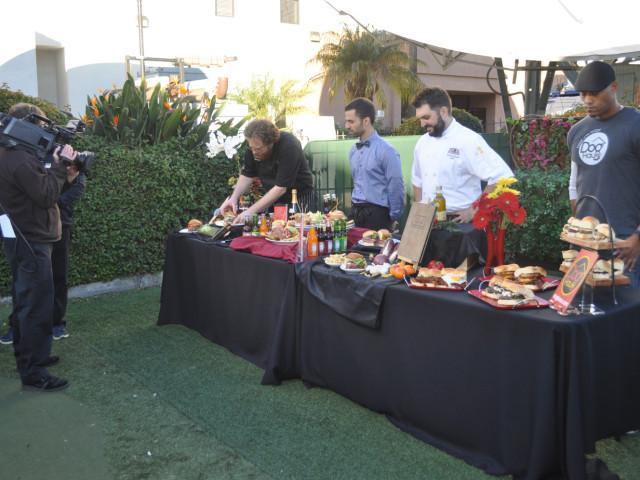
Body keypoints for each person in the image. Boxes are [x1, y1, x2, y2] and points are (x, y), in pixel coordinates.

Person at [0, 102, 75, 391]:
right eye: (40, 126)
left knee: (28, 302)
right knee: (35, 306)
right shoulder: (18, 158)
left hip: (24, 238)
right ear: (24, 126)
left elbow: (45, 193)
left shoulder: (13, 154)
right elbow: (45, 196)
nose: (44, 133)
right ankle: (33, 372)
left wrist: (63, 177)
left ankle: (33, 358)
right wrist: (58, 168)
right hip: (31, 240)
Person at [567, 61, 640, 287]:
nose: (588, 100)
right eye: (583, 94)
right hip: (585, 246)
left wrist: (637, 238)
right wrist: (579, 230)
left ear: (614, 88)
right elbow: (574, 182)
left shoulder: (635, 124)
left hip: (626, 247)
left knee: (627, 319)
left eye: (595, 94)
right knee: (584, 316)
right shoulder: (577, 131)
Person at [410, 87, 513, 223]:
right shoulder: (422, 143)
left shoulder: (468, 140)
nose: (422, 123)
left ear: (444, 112)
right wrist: (420, 215)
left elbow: (501, 176)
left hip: (460, 225)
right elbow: (417, 181)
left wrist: (474, 210)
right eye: (420, 119)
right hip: (429, 224)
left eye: (426, 117)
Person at [217, 119, 314, 220]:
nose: (254, 152)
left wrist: (250, 212)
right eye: (251, 148)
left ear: (271, 143)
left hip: (299, 197)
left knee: (298, 230)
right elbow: (247, 174)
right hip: (274, 197)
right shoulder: (253, 146)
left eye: (258, 148)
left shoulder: (289, 146)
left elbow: (281, 188)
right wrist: (233, 198)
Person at [344, 98, 405, 230]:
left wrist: (393, 217)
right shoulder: (353, 151)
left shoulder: (387, 151)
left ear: (366, 121)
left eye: (351, 121)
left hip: (378, 217)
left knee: (375, 251)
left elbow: (396, 185)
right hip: (355, 214)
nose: (346, 126)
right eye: (346, 121)